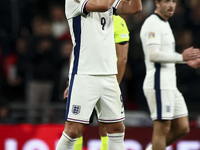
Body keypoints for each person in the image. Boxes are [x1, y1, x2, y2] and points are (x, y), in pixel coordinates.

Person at [56, 0, 142, 149]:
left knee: (117, 129)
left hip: (108, 75)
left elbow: (135, 7)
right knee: (73, 131)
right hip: (84, 74)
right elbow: (103, 5)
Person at [140, 0, 200, 150]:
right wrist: (181, 57)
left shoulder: (165, 23)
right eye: (167, 1)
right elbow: (153, 55)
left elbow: (165, 55)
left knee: (182, 127)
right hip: (158, 83)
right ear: (157, 3)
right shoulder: (152, 23)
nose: (171, 5)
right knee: (162, 128)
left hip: (169, 84)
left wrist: (183, 61)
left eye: (173, 1)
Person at [73, 14, 130, 150]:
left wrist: (114, 84)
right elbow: (76, 50)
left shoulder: (116, 21)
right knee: (76, 126)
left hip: (103, 79)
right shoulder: (87, 18)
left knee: (97, 126)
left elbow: (122, 59)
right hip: (87, 77)